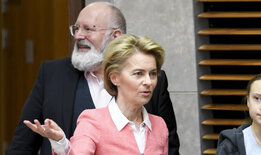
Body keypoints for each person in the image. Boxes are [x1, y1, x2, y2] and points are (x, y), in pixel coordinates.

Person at [8, 2, 179, 155]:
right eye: (76, 28)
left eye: (88, 29)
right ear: (113, 78)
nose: (78, 36)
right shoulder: (52, 74)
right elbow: (23, 144)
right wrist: (61, 144)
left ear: (116, 35)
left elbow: (168, 146)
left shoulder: (154, 84)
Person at [24, 34, 168, 154]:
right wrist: (61, 143)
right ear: (115, 78)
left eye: (153, 74)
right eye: (138, 73)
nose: (148, 82)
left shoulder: (160, 126)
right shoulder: (92, 121)